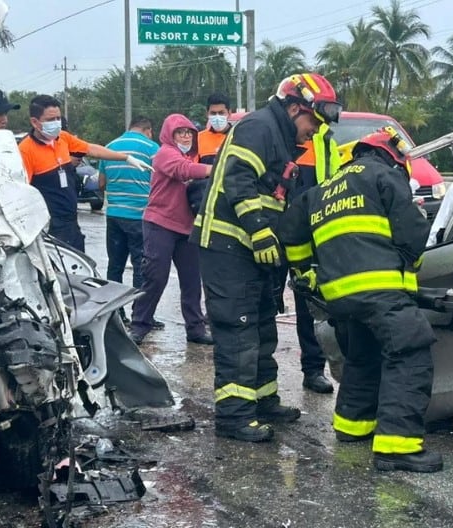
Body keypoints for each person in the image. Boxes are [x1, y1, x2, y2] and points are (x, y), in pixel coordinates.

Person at [279, 128, 443, 473]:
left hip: (338, 296)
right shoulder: (384, 174)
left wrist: (306, 274)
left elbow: (291, 228)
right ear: (393, 156)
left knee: (363, 353)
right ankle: (398, 447)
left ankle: (352, 426)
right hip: (379, 287)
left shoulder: (325, 187)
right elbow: (413, 230)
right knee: (409, 350)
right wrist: (409, 268)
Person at [191, 72, 342, 442]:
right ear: (294, 108)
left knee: (261, 326)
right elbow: (237, 180)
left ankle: (262, 401)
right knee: (239, 329)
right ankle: (233, 417)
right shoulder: (259, 127)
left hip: (249, 251)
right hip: (228, 246)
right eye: (313, 121)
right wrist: (259, 232)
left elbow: (274, 199)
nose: (315, 131)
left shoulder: (280, 135)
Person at [18, 95, 153, 252]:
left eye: (58, 118)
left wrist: (126, 158)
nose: (56, 123)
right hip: (49, 224)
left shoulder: (62, 138)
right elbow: (23, 193)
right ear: (35, 122)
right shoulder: (26, 150)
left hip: (70, 221)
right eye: (50, 120)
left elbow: (91, 149)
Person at [129, 114, 214, 346]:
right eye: (180, 132)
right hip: (160, 223)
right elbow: (182, 170)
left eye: (189, 132)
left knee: (191, 281)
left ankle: (195, 329)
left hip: (186, 227)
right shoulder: (165, 153)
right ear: (169, 134)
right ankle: (139, 325)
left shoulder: (190, 156)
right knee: (155, 277)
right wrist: (215, 169)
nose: (186, 136)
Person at [286, 122, 341, 394]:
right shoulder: (272, 135)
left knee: (310, 302)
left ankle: (314, 369)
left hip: (309, 234)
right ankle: (257, 377)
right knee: (258, 304)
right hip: (268, 227)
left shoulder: (326, 142)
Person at [98, 116, 159, 322]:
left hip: (114, 215)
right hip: (139, 216)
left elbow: (101, 183)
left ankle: (115, 313)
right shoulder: (152, 148)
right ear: (148, 130)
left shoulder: (110, 147)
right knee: (141, 266)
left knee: (115, 265)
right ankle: (139, 315)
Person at [188, 93, 234, 216]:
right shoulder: (198, 138)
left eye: (221, 113)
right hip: (204, 203)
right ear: (207, 114)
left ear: (229, 113)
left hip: (231, 200)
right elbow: (192, 170)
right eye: (213, 113)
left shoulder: (239, 137)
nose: (217, 117)